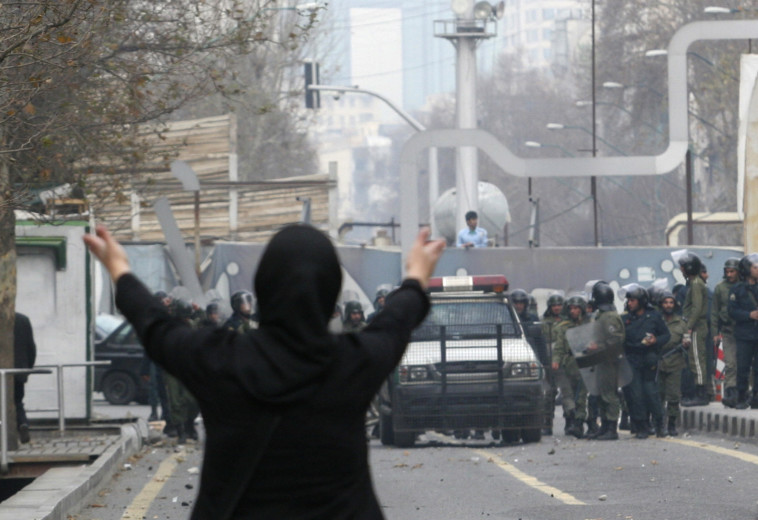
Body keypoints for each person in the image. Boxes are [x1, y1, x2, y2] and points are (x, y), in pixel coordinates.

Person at [84, 223, 444, 519]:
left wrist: (120, 269)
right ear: (330, 292)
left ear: (265, 287)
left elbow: (157, 327)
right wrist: (415, 276)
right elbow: (396, 320)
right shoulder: (353, 362)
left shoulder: (219, 359)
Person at [620, 285, 670, 439]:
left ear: (641, 301)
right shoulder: (625, 319)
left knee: (651, 392)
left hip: (648, 358)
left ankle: (660, 424)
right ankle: (641, 426)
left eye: (633, 300)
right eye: (628, 300)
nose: (630, 303)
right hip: (631, 359)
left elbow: (666, 335)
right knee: (636, 394)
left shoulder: (653, 316)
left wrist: (655, 341)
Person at [586, 281, 625, 441]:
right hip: (601, 360)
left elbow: (616, 339)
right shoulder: (601, 315)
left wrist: (598, 346)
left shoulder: (609, 317)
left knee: (609, 395)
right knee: (602, 394)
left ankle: (612, 427)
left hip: (609, 361)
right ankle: (604, 426)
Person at [511, 289, 550, 435]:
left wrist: (545, 362)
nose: (519, 306)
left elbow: (540, 342)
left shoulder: (532, 319)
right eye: (516, 303)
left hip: (531, 362)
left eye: (521, 303)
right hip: (512, 363)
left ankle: (544, 422)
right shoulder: (507, 318)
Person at [551, 295, 590, 439]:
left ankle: (578, 423)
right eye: (571, 308)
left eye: (576, 308)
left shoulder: (588, 324)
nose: (573, 311)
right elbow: (559, 347)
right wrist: (556, 360)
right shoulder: (563, 327)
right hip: (569, 364)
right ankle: (571, 419)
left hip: (585, 362)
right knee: (568, 395)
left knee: (581, 396)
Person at [679, 253, 710, 406]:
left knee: (697, 360)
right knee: (694, 359)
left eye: (683, 267)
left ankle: (701, 393)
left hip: (697, 326)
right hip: (696, 325)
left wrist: (688, 326)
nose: (681, 269)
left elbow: (696, 308)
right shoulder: (694, 283)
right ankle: (700, 392)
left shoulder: (696, 284)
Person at [728, 253, 758, 409]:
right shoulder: (738, 289)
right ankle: (741, 397)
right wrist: (749, 315)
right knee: (743, 367)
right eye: (755, 267)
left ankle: (756, 398)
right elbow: (732, 311)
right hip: (744, 334)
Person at [658, 291, 687, 436]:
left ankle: (671, 425)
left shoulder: (681, 322)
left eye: (671, 302)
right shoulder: (656, 320)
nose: (668, 305)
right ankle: (659, 423)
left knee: (674, 396)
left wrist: (686, 342)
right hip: (658, 361)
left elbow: (687, 338)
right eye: (665, 302)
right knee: (658, 396)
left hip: (675, 362)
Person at [712, 258, 740, 407]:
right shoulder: (720, 288)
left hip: (743, 330)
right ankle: (730, 390)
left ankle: (744, 392)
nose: (729, 274)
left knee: (744, 363)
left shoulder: (744, 286)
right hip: (727, 330)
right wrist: (715, 332)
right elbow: (715, 311)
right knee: (730, 363)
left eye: (732, 271)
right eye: (727, 271)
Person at [14, 312, 37, 444]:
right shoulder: (23, 320)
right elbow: (31, 347)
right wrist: (28, 368)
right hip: (19, 370)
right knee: (17, 401)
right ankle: (22, 423)